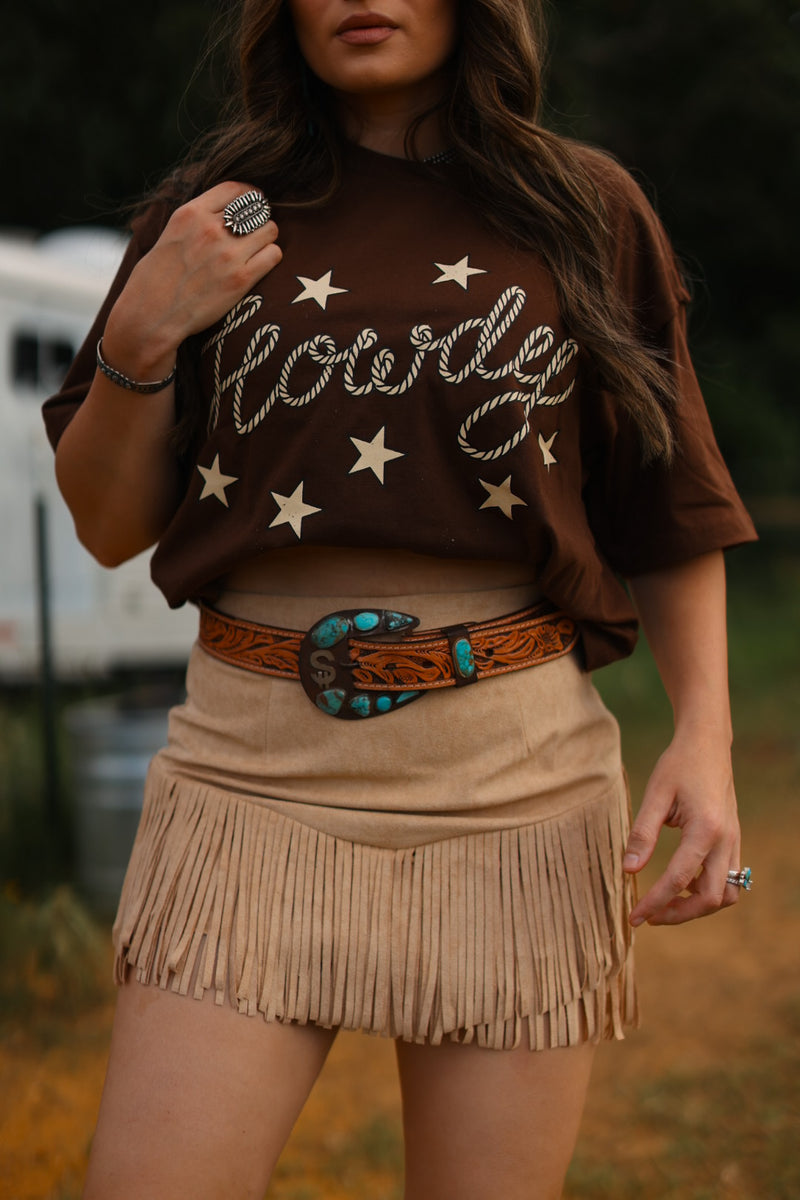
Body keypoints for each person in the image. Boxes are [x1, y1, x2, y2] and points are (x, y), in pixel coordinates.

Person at [44, 0, 757, 1196]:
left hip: (513, 787)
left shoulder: (580, 208)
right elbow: (108, 527)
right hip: (248, 777)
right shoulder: (213, 216)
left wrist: (706, 738)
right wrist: (143, 330)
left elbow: (666, 496)